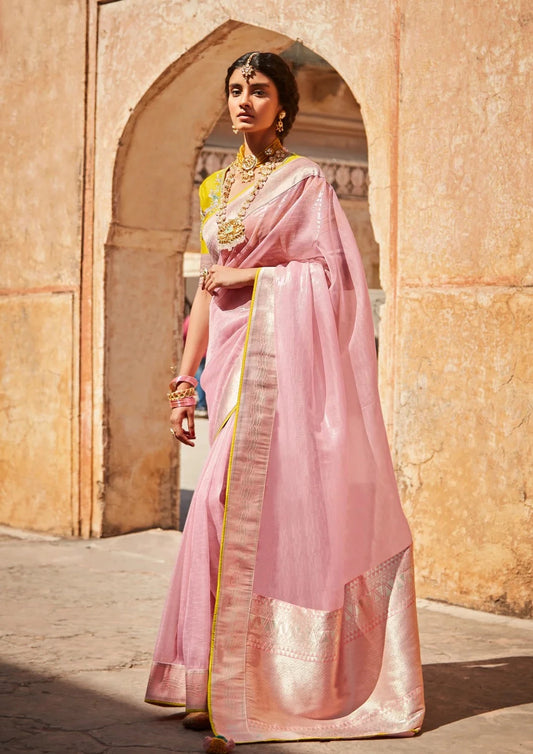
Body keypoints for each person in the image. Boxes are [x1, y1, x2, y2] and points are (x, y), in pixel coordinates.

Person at [145, 51, 425, 749]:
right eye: (235, 89)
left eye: (259, 90)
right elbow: (210, 289)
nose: (243, 100)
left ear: (284, 105)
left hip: (281, 371)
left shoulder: (304, 182)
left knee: (232, 508)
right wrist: (184, 380)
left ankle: (255, 681)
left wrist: (251, 278)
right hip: (232, 365)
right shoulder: (216, 188)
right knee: (217, 510)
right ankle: (213, 678)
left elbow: (328, 279)